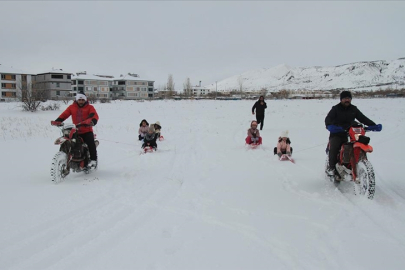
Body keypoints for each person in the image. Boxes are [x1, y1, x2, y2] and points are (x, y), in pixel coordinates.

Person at [325, 90, 382, 179]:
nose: (347, 100)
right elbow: (328, 119)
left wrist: (373, 125)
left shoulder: (353, 109)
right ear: (341, 100)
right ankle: (331, 168)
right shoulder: (335, 109)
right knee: (334, 147)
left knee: (360, 142)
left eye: (348, 98)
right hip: (338, 133)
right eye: (344, 98)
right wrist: (330, 126)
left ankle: (358, 164)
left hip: (352, 133)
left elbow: (363, 118)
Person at [51, 93, 99, 168]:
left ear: (85, 100)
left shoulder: (90, 107)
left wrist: (92, 121)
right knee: (69, 141)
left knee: (90, 143)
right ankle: (67, 157)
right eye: (79, 100)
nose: (81, 101)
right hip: (75, 130)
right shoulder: (72, 107)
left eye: (82, 100)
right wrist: (57, 121)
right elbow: (64, 115)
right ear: (76, 100)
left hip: (86, 130)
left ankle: (93, 160)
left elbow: (94, 115)